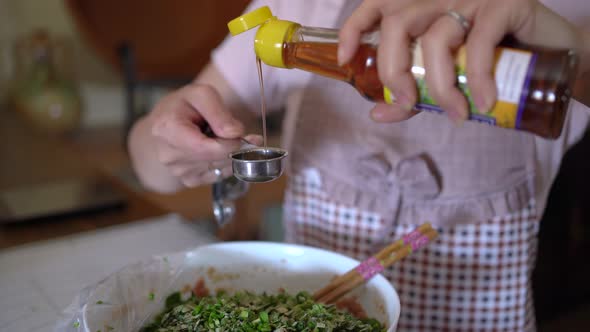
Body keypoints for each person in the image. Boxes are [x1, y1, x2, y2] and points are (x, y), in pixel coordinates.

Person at [128, 0, 590, 330]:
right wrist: (166, 137)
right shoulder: (303, 10)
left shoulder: (556, 18)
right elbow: (148, 165)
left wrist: (578, 59)